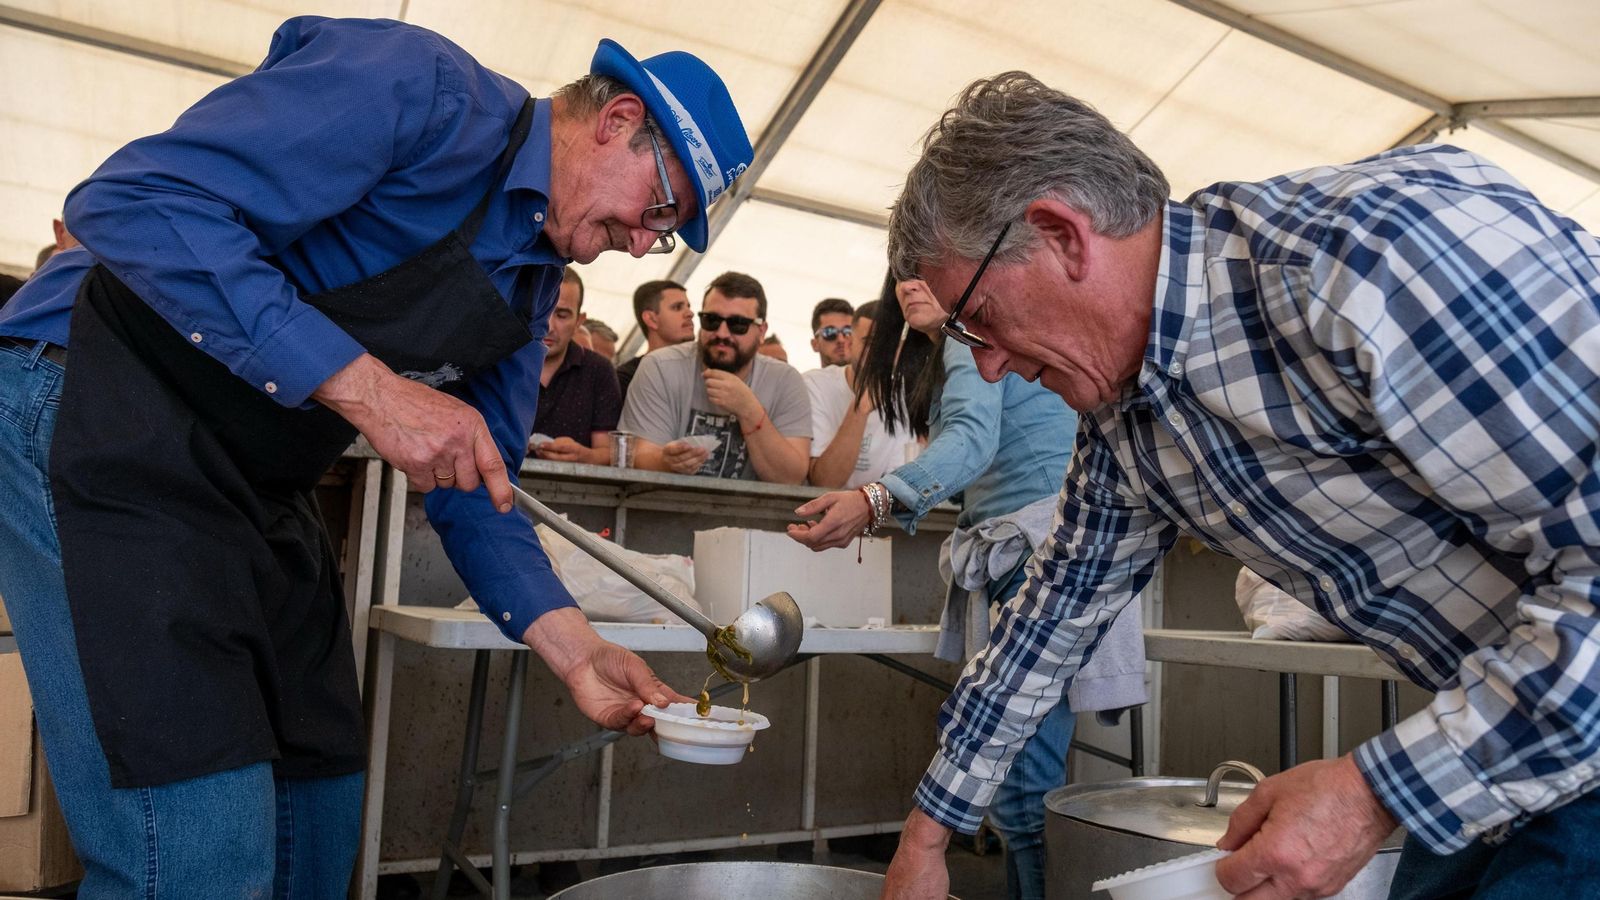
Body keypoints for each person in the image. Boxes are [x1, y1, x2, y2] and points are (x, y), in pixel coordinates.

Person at [0, 16, 754, 897]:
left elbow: (478, 485)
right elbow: (133, 203)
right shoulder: (418, 90)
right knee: (197, 846)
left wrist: (575, 648)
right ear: (618, 120)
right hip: (96, 395)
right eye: (658, 211)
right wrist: (371, 390)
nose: (640, 243)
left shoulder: (529, 284)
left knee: (319, 813)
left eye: (664, 237)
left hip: (255, 473)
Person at [872, 72, 1600, 900]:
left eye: (976, 318)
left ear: (1060, 235)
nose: (988, 361)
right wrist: (927, 841)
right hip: (1514, 728)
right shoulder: (1126, 423)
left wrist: (1371, 794)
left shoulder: (1372, 259)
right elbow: (1043, 626)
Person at [789, 277, 1144, 900]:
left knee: (1023, 793)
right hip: (1061, 544)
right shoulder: (1003, 324)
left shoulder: (969, 330)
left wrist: (874, 499)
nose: (909, 290)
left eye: (924, 271)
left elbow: (971, 443)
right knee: (1027, 785)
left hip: (1036, 552)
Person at [619, 271, 810, 482]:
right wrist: (666, 462)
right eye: (711, 320)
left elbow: (791, 477)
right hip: (665, 509)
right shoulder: (660, 366)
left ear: (762, 331)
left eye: (737, 324)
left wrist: (750, 411)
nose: (722, 333)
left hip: (746, 513)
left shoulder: (786, 380)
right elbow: (637, 455)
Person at [801, 299, 915, 489]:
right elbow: (824, 482)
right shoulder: (815, 384)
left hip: (875, 515)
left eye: (888, 344)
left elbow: (898, 488)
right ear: (849, 343)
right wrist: (860, 409)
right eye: (869, 342)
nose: (879, 353)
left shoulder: (907, 395)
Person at [531, 268, 621, 465]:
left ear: (579, 321)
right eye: (541, 310)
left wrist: (583, 456)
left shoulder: (599, 371)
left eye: (562, 315)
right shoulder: (500, 361)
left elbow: (609, 452)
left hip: (574, 491)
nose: (549, 325)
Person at [615, 278, 692, 396]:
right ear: (651, 319)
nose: (690, 313)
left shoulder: (703, 370)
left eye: (688, 306)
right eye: (677, 307)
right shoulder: (627, 379)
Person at [808, 296, 854, 368]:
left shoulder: (875, 378)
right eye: (830, 332)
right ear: (815, 344)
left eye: (848, 331)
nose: (841, 340)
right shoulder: (806, 379)